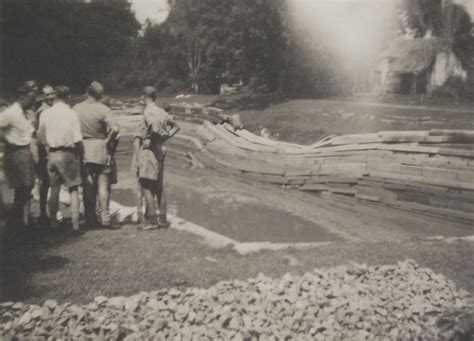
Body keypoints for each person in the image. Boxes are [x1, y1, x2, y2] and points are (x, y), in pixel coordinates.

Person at [73, 81, 119, 229]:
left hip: (84, 148)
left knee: (87, 186)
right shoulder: (104, 109)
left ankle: (90, 218)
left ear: (88, 91)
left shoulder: (76, 108)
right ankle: (105, 218)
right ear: (99, 94)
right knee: (103, 186)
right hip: (100, 147)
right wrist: (107, 141)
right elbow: (115, 129)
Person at [37, 85, 83, 232]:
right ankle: (75, 225)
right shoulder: (71, 113)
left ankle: (53, 223)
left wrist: (49, 147)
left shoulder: (45, 113)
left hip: (51, 153)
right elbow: (77, 138)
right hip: (67, 152)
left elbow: (40, 138)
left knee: (54, 188)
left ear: (55, 96)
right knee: (73, 188)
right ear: (67, 96)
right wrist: (82, 156)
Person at [133, 86, 180, 229]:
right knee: (159, 186)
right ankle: (163, 219)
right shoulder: (161, 111)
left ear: (144, 96)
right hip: (160, 149)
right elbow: (176, 126)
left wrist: (152, 139)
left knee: (146, 185)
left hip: (150, 151)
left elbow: (153, 128)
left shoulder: (149, 110)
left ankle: (152, 221)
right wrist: (164, 138)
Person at [0, 84, 37, 227]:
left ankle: (20, 221)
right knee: (22, 188)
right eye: (31, 100)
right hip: (16, 153)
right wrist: (8, 141)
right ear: (22, 98)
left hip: (25, 151)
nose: (33, 103)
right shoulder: (11, 113)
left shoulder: (25, 113)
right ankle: (14, 223)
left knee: (27, 188)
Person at [35, 85, 56, 222]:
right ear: (42, 96)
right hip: (45, 151)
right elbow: (39, 134)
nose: (50, 97)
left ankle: (50, 212)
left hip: (53, 149)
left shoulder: (52, 108)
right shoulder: (41, 111)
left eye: (52, 94)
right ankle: (43, 212)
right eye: (47, 95)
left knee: (52, 183)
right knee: (46, 183)